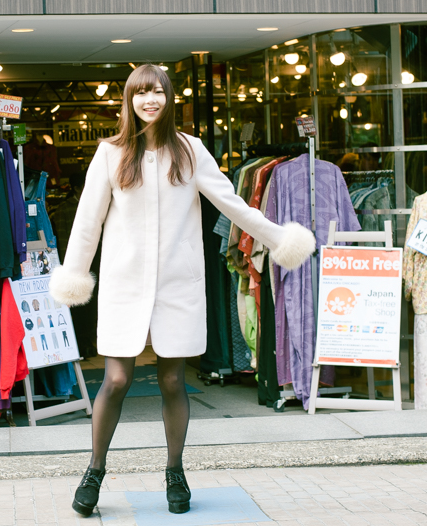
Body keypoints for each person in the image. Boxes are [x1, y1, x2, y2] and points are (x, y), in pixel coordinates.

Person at [50, 64, 316, 517]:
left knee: (173, 379)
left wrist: (278, 239)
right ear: (129, 100)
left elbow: (232, 203)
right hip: (123, 284)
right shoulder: (111, 153)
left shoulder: (191, 150)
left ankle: (175, 470)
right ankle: (95, 468)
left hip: (178, 284)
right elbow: (87, 222)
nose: (149, 100)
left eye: (157, 91)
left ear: (169, 97)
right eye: (141, 93)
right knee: (116, 379)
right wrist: (74, 272)